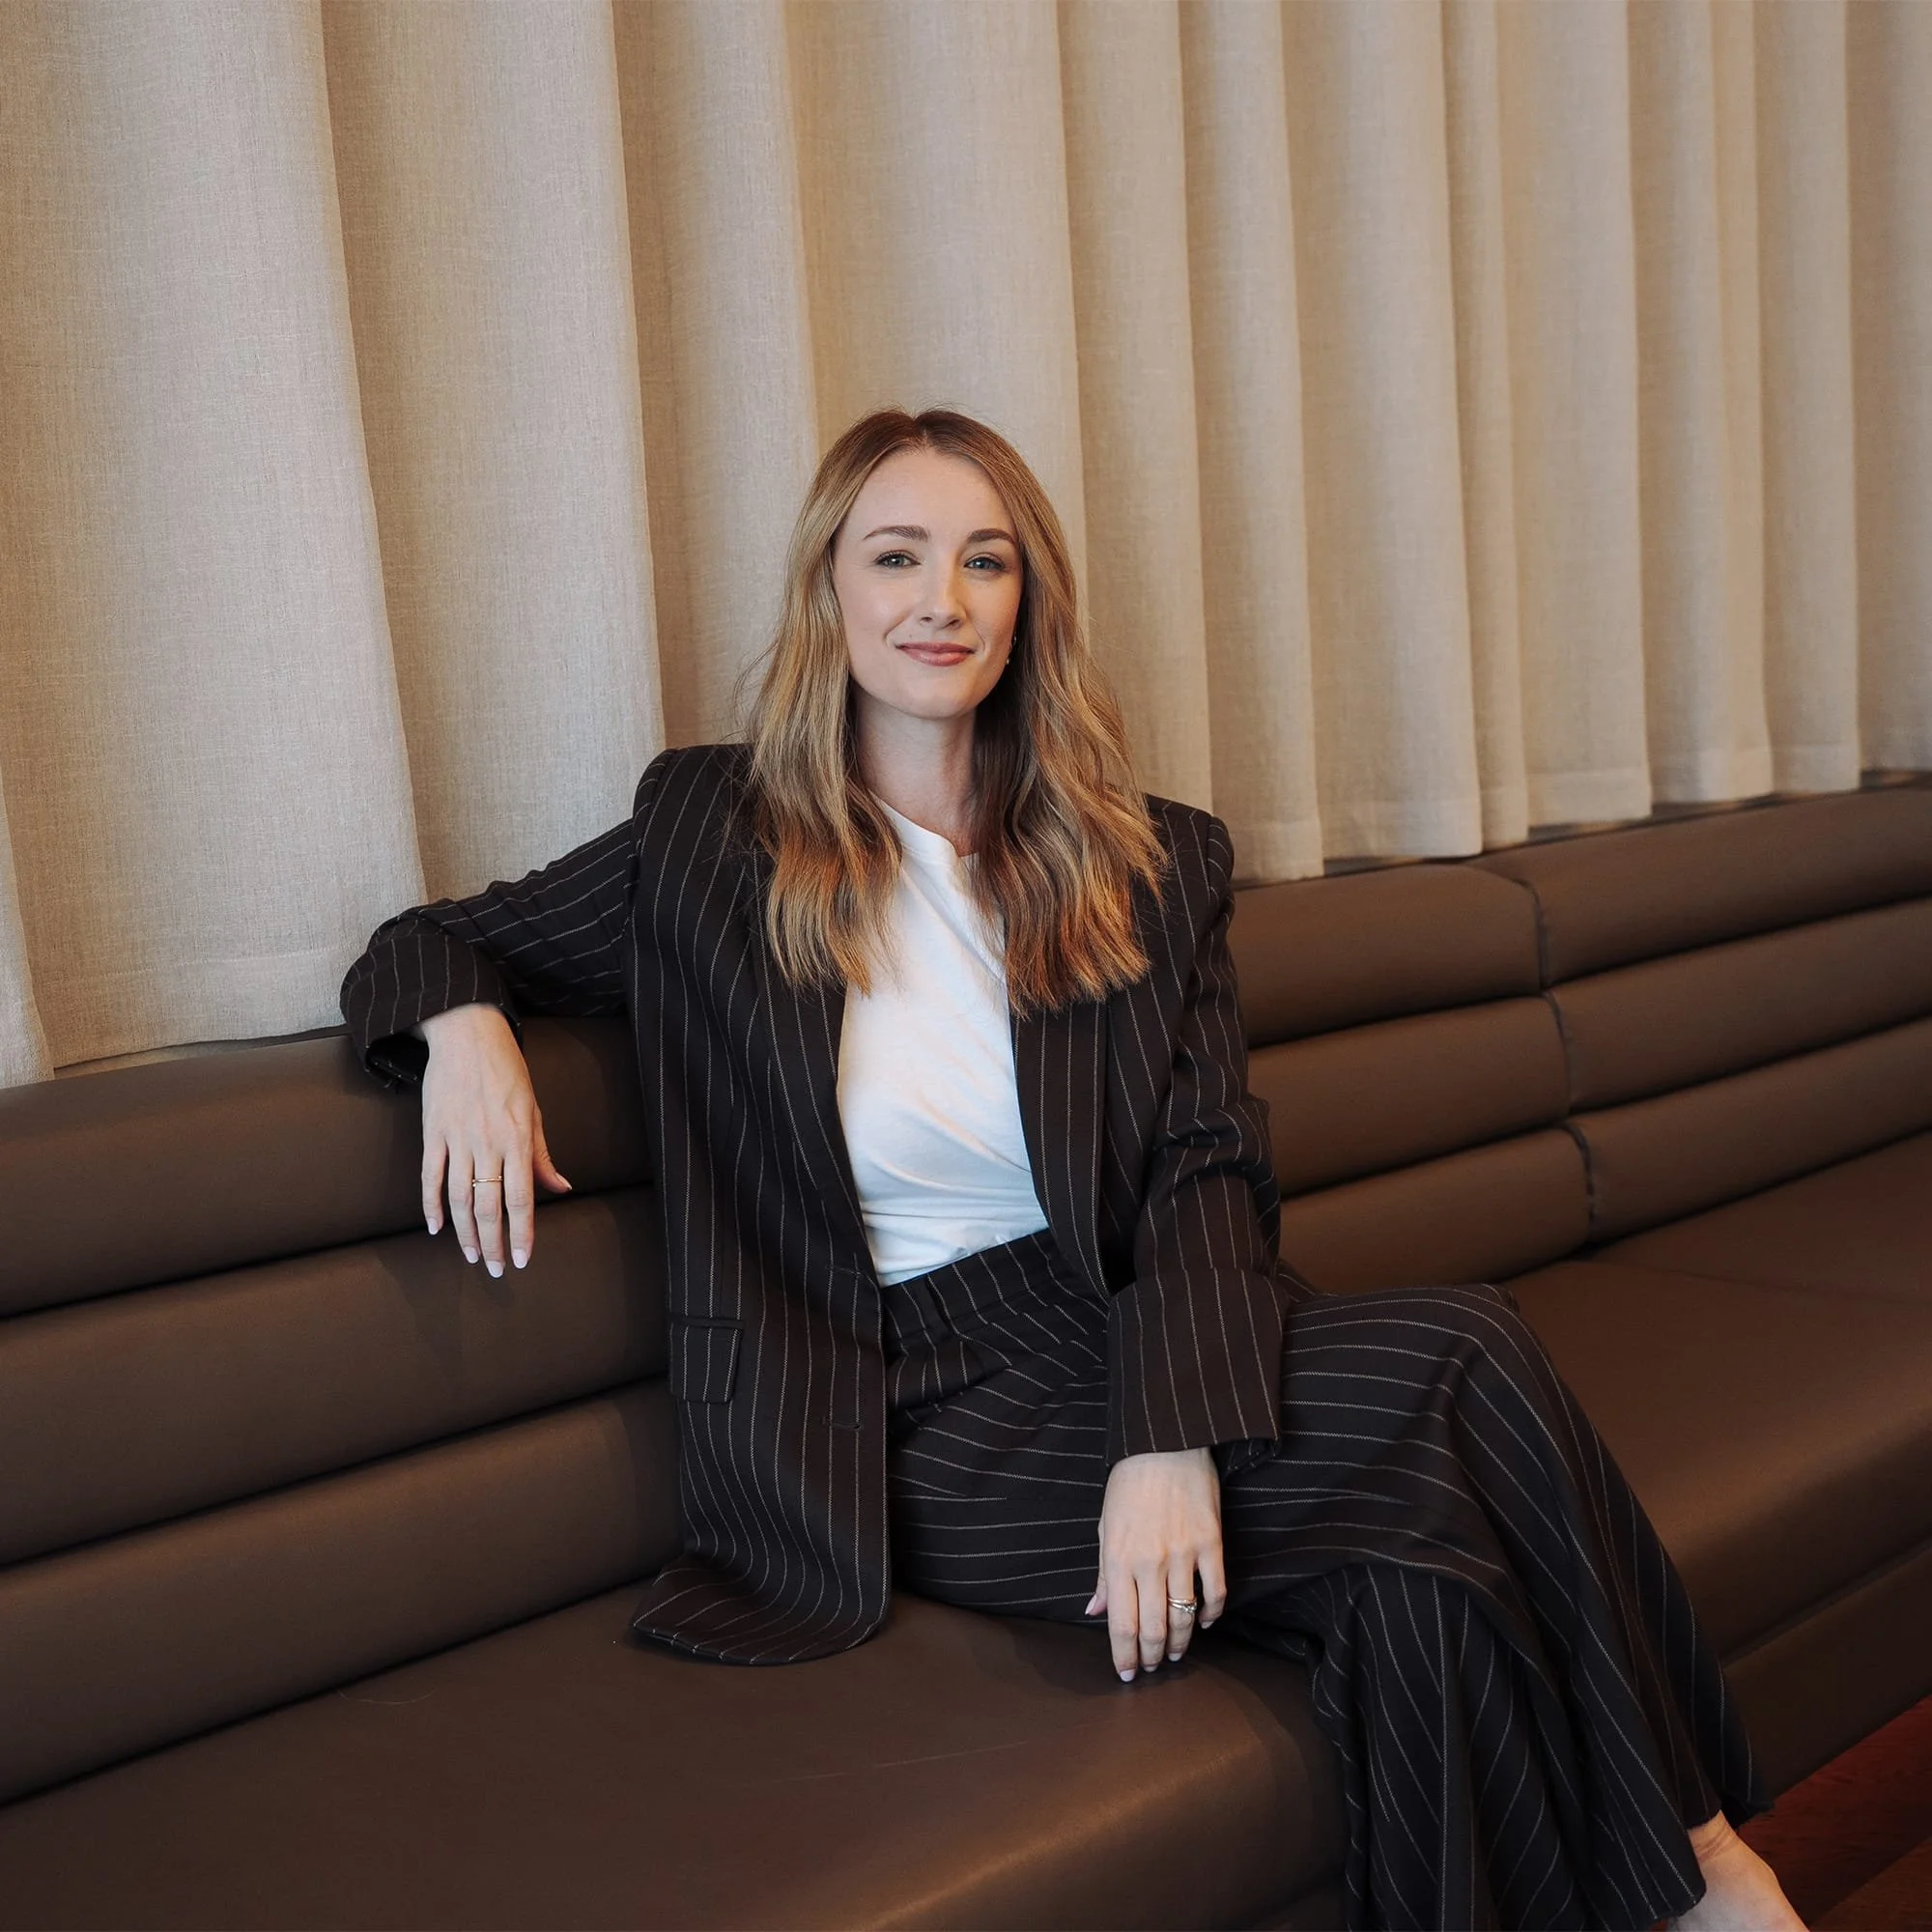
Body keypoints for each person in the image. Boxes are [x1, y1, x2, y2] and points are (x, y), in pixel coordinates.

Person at [341, 407, 1804, 1931]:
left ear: (1028, 598)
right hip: (902, 1411)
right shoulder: (710, 834)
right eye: (895, 557)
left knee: (1419, 1580)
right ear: (827, 592)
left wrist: (1166, 1437)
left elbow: (1208, 1173)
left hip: (1131, 1335)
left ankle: (1686, 1880)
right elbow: (427, 940)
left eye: (985, 562)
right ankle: (1705, 1866)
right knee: (1469, 1348)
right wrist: (461, 1030)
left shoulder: (1144, 860)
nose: (940, 602)